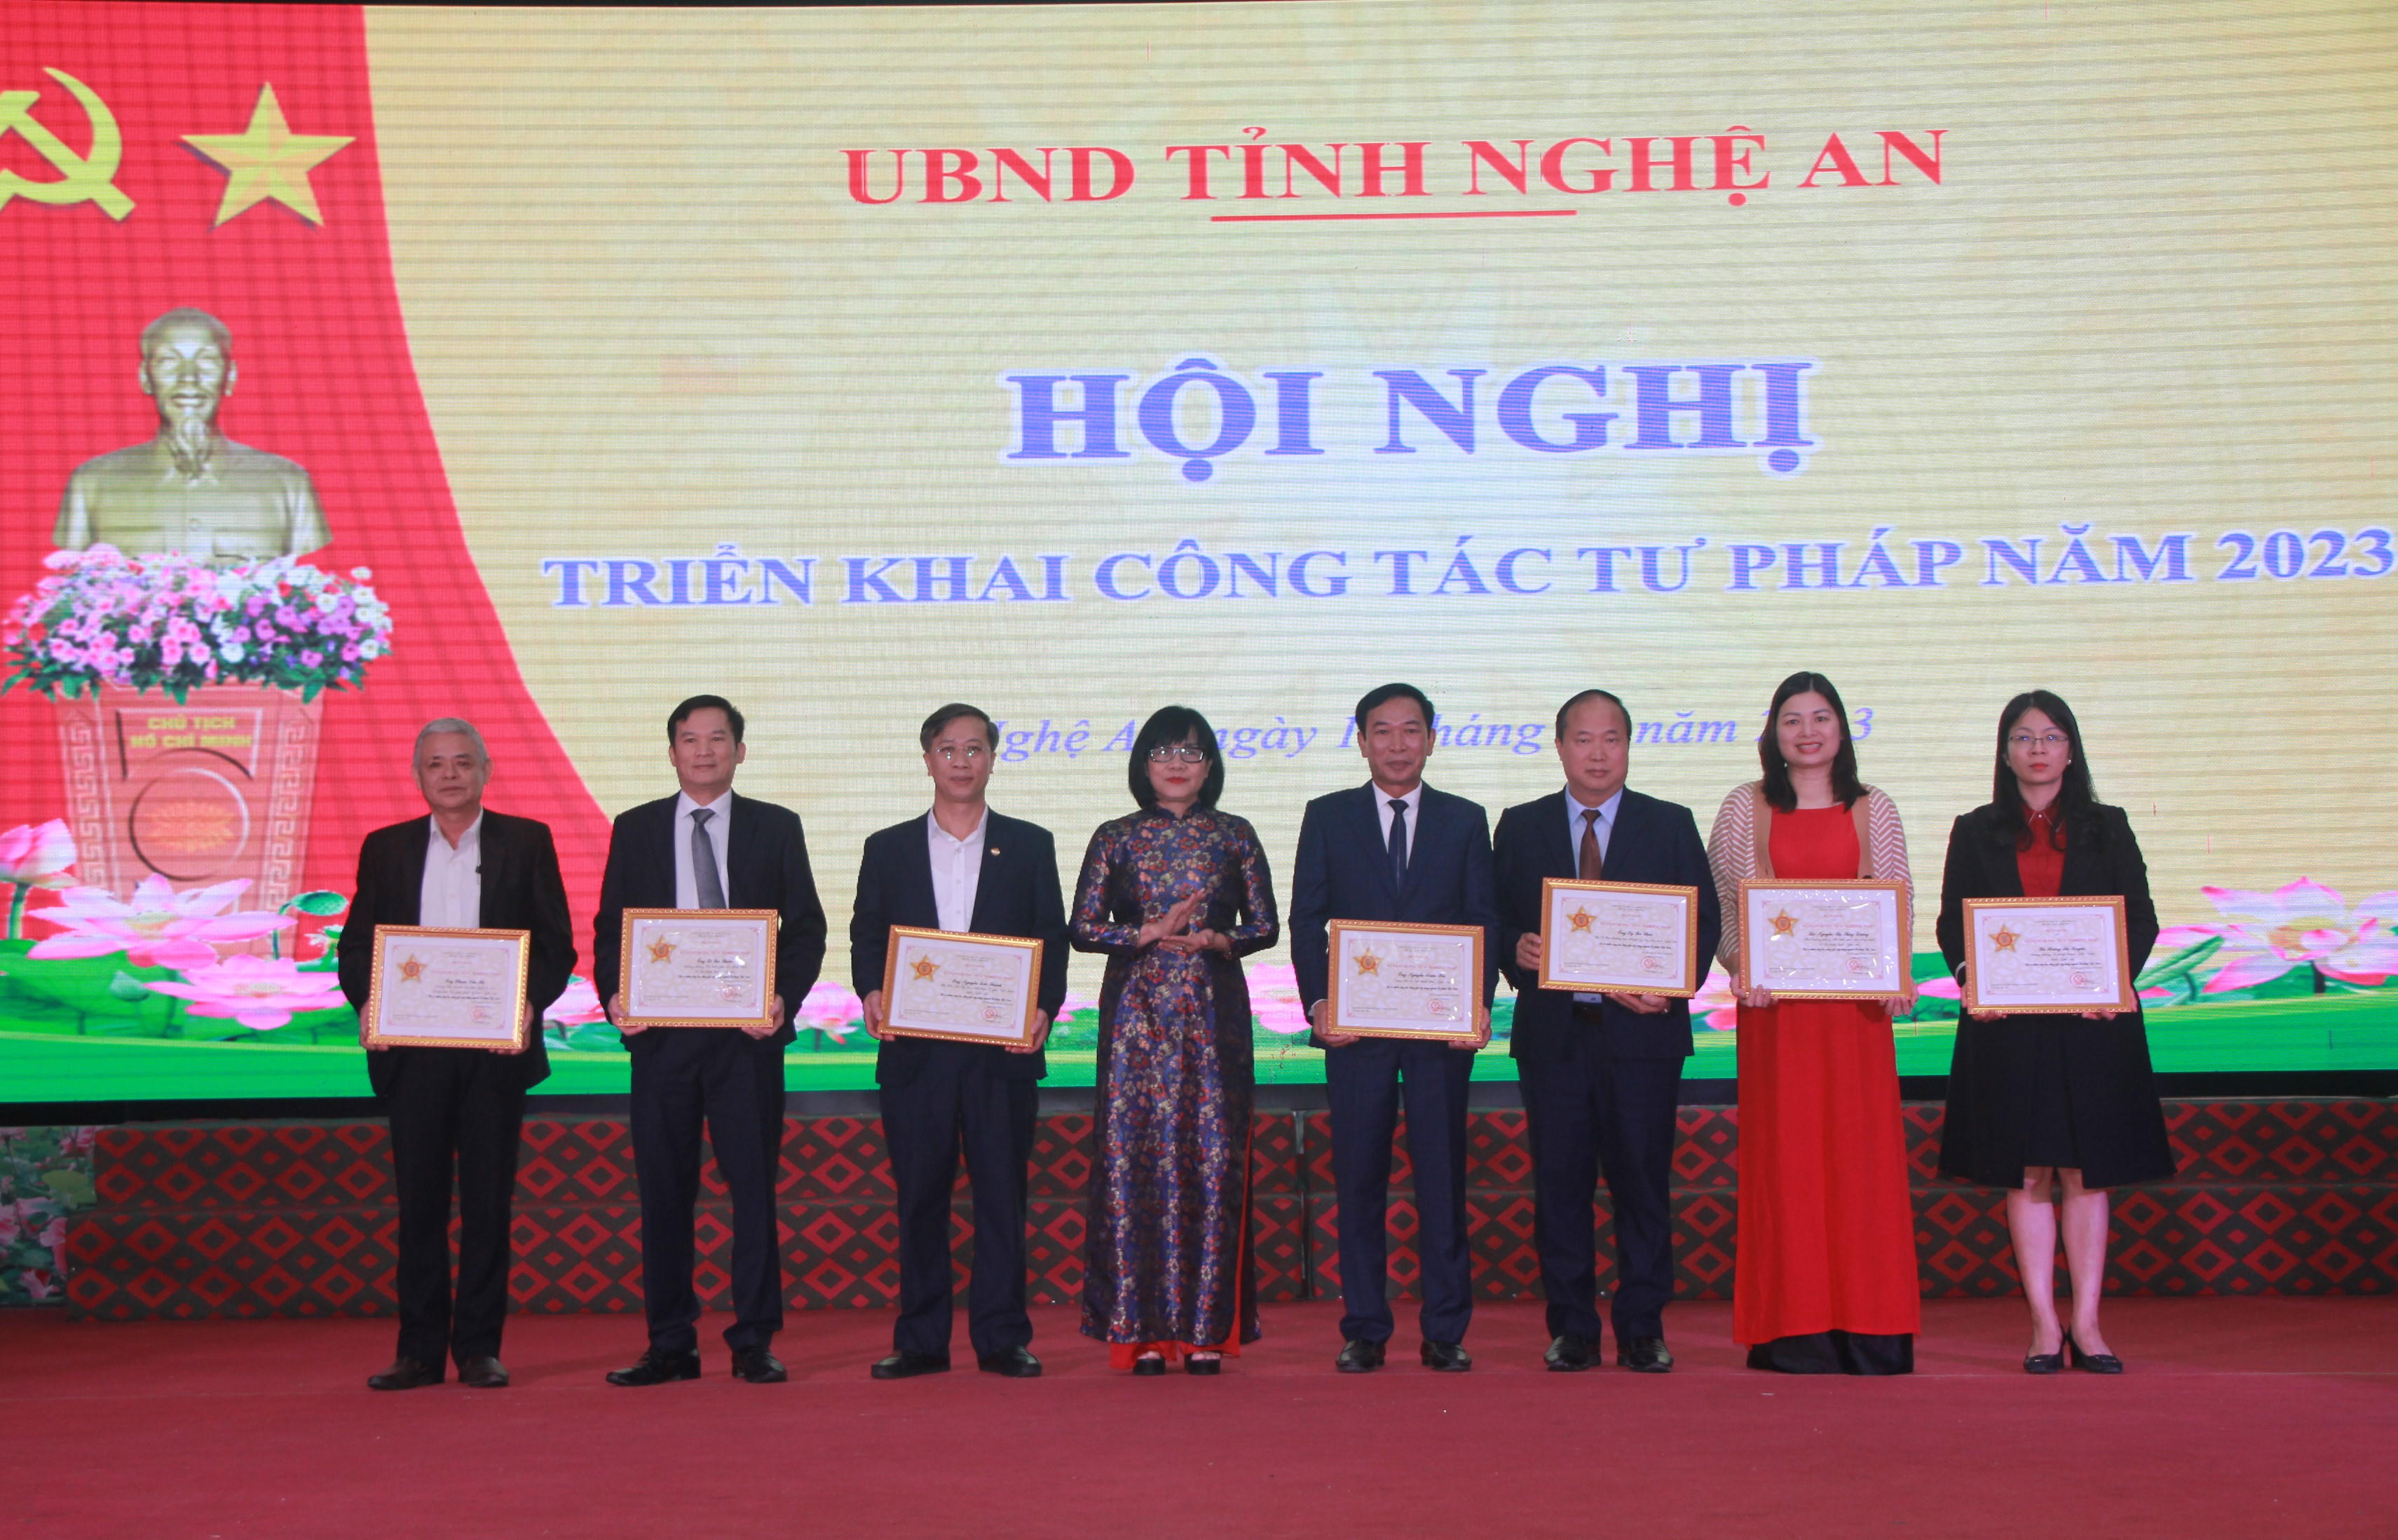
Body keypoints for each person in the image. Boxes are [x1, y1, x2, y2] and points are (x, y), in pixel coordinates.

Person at [593, 695, 826, 1386]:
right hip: (662, 1042)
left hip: (744, 1043)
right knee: (664, 1193)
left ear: (739, 751)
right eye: (689, 740)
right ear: (672, 753)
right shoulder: (635, 828)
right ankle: (670, 1342)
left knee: (752, 1193)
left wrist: (782, 999)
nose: (703, 751)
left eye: (717, 739)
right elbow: (612, 927)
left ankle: (753, 1339)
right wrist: (616, 995)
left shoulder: (774, 826)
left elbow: (805, 928)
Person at [1935, 691, 2171, 1375]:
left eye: (2050, 736)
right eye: (2022, 736)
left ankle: (2087, 1323)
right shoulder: (1974, 829)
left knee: (2084, 1171)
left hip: (2091, 1023)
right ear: (2004, 751)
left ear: (2070, 750)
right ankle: (2043, 1322)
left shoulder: (2107, 826)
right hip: (2006, 1026)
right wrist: (1971, 979)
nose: (2036, 749)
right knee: (2028, 1170)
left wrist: (2113, 981)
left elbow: (2140, 917)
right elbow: (1953, 922)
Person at [336, 718, 573, 1391]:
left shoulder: (525, 841)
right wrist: (368, 1000)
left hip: (494, 1049)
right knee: (420, 1204)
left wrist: (528, 1002)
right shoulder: (386, 848)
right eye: (436, 763)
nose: (449, 774)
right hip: (414, 1051)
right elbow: (358, 944)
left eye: (463, 762)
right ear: (418, 775)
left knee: (487, 1203)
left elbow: (554, 943)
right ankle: (417, 1351)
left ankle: (478, 1349)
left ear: (485, 771)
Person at [1494, 689, 1720, 1375]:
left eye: (1611, 739)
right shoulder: (1522, 824)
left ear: (1628, 745)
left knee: (1642, 1183)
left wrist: (1671, 983)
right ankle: (1572, 1328)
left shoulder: (1669, 823)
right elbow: (1494, 915)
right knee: (1559, 1186)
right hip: (1554, 1038)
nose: (1597, 754)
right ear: (1560, 746)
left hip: (1642, 1037)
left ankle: (1642, 1327)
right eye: (1583, 739)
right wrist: (1514, 948)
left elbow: (1702, 921)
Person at [1705, 672, 1921, 1375]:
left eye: (1820, 717)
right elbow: (1726, 909)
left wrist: (1895, 973)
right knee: (1787, 1167)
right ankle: (1792, 1328)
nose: (1806, 731)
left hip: (1855, 1020)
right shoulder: (1743, 807)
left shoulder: (1872, 807)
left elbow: (1896, 898)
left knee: (1861, 1169)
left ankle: (1871, 1328)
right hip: (1777, 1022)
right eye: (1791, 719)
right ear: (1773, 732)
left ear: (1841, 729)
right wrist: (1742, 964)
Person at [852, 704, 1068, 1381]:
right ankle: (920, 1338)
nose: (961, 761)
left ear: (992, 759)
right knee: (920, 1198)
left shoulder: (1028, 844)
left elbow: (1050, 936)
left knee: (1001, 1197)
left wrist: (1042, 1007)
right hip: (916, 1056)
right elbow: (867, 933)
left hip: (1002, 1057)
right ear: (927, 760)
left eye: (975, 749)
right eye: (948, 749)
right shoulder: (887, 847)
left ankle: (1002, 1336)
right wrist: (872, 991)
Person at [1291, 683, 1499, 1374]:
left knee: (1441, 1178)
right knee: (1358, 1180)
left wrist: (1476, 1005)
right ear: (1361, 741)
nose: (1398, 744)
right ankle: (1365, 1328)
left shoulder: (1464, 819)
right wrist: (1319, 1002)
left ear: (1431, 740)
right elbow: (1306, 919)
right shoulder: (1328, 816)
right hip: (1357, 1034)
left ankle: (1445, 1329)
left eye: (1411, 730)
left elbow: (1482, 919)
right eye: (1382, 731)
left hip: (1440, 1033)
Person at [1071, 706, 1281, 1377]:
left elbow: (1265, 925)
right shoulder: (1115, 836)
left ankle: (1204, 1331)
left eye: (1191, 752)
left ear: (1210, 765)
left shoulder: (1234, 834)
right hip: (1135, 1015)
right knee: (1132, 1161)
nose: (1176, 763)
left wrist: (1219, 938)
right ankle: (1139, 1333)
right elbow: (1081, 926)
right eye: (1163, 751)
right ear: (1142, 764)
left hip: (1213, 1017)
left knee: (1211, 1161)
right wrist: (1144, 932)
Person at [54, 307, 329, 561]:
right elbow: (69, 588)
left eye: (207, 360)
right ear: (145, 378)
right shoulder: (93, 482)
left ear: (230, 377)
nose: (189, 377)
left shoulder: (287, 483)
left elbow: (311, 586)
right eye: (168, 361)